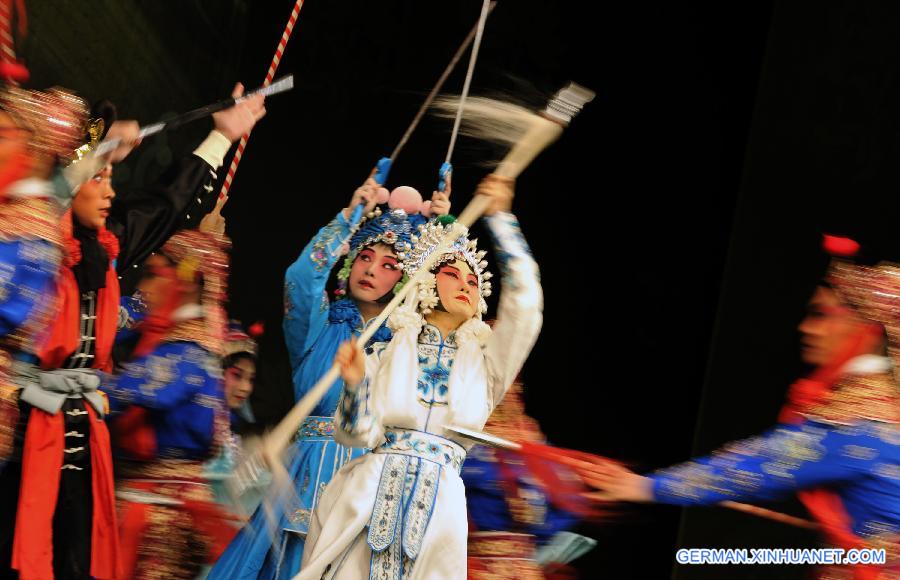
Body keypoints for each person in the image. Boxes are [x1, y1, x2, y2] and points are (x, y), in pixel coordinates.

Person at [579, 236, 900, 578]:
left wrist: (644, 487)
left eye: (821, 314)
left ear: (865, 330)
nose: (806, 328)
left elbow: (761, 464)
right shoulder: (885, 409)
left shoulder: (859, 420)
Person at [297, 175, 542, 579]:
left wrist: (502, 222)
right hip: (365, 497)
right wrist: (356, 383)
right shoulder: (388, 347)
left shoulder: (487, 363)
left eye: (473, 281)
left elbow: (527, 307)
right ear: (427, 279)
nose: (466, 285)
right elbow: (355, 433)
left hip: (441, 509)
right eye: (452, 274)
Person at [210, 174, 449, 579]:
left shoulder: (408, 345)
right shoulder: (319, 328)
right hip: (308, 477)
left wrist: (445, 234)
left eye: (389, 265)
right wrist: (347, 217)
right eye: (364, 257)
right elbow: (301, 281)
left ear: (405, 279)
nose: (371, 270)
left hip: (373, 486)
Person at [107, 228, 234, 579]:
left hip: (158, 515)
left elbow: (131, 391)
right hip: (146, 499)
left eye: (153, 275)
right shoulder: (178, 335)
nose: (143, 288)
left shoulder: (188, 352)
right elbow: (118, 317)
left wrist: (86, 387)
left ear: (187, 282)